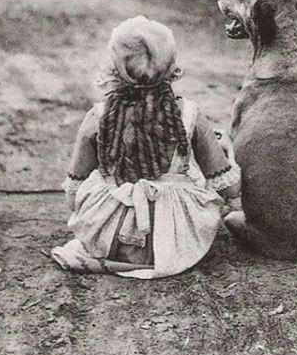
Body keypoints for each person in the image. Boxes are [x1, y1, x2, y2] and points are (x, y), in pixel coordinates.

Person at [51, 16, 241, 278]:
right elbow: (229, 188)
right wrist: (228, 149)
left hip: (108, 239)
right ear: (171, 65)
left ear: (115, 67)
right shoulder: (189, 114)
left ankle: (114, 255)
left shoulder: (97, 117)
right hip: (175, 243)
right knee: (196, 182)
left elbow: (73, 193)